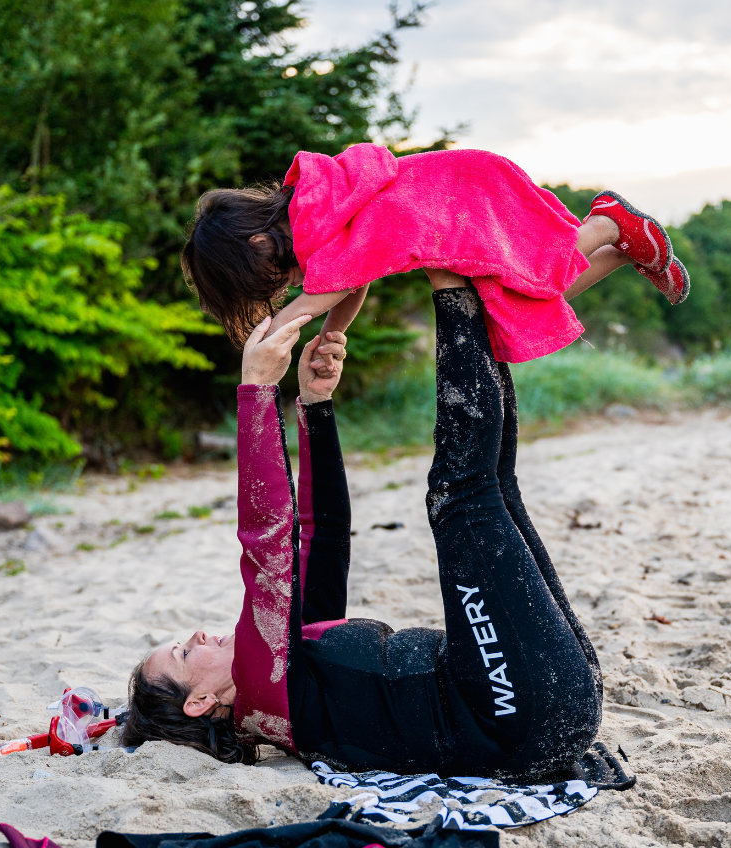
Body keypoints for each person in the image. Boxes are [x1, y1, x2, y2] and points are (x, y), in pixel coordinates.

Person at [123, 271, 603, 780]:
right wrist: (255, 392)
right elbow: (268, 543)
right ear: (200, 702)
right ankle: (452, 273)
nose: (197, 636)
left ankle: (477, 290)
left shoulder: (295, 672)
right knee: (460, 495)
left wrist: (314, 405)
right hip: (518, 713)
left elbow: (323, 531)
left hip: (551, 699)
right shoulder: (263, 696)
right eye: (182, 652)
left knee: (494, 487)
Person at [180, 144, 689, 371]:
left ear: (259, 243)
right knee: (519, 304)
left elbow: (326, 288)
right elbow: (352, 283)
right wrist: (336, 331)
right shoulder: (326, 236)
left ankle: (607, 222)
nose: (286, 287)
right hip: (465, 194)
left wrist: (279, 328)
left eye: (272, 279)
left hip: (468, 195)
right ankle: (626, 250)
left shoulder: (315, 215)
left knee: (538, 268)